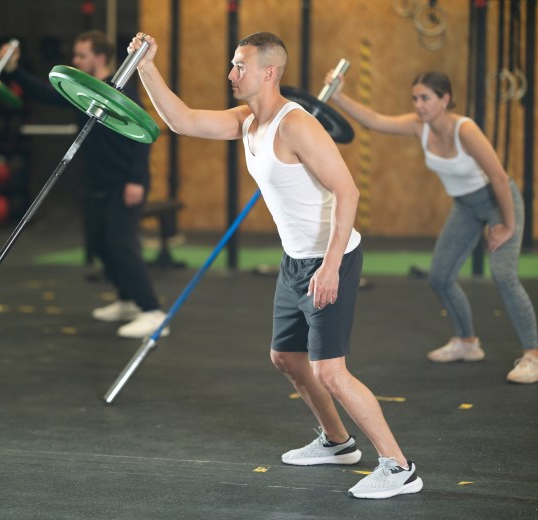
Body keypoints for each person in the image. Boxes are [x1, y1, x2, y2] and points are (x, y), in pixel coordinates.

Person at [128, 31, 422, 499]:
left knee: (330, 371)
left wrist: (329, 267)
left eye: (239, 66)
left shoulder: (296, 125)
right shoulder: (247, 121)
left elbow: (348, 192)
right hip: (294, 261)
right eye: (232, 64)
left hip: (332, 259)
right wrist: (146, 65)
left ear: (269, 72)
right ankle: (338, 442)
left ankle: (399, 465)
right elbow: (182, 121)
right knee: (286, 357)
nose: (231, 74)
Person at [325, 70, 538, 384]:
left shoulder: (465, 130)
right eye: (415, 98)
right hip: (465, 207)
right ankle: (467, 343)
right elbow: (373, 120)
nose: (419, 105)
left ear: (445, 99)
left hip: (498, 202)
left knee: (503, 274)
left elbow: (499, 178)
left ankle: (533, 355)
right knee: (440, 277)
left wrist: (507, 225)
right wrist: (339, 95)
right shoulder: (418, 126)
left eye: (425, 98)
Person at [0, 31, 168, 339]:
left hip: (123, 183)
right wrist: (14, 71)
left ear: (100, 57)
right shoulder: (86, 93)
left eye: (81, 56)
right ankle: (127, 300)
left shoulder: (122, 91)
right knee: (100, 244)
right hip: (96, 183)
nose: (74, 61)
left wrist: (137, 180)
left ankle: (153, 312)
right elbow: (45, 91)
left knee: (121, 245)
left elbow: (142, 140)